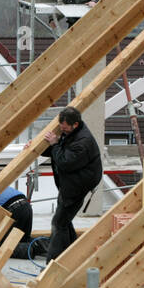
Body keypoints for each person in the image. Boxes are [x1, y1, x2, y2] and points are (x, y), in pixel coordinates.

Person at [40, 106, 103, 262]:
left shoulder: (83, 142)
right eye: (61, 128)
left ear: (75, 124)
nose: (62, 131)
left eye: (65, 128)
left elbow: (64, 162)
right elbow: (59, 149)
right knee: (64, 219)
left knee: (59, 222)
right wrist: (38, 147)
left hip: (78, 185)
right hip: (71, 182)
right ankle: (73, 254)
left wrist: (54, 144)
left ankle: (52, 263)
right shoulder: (71, 133)